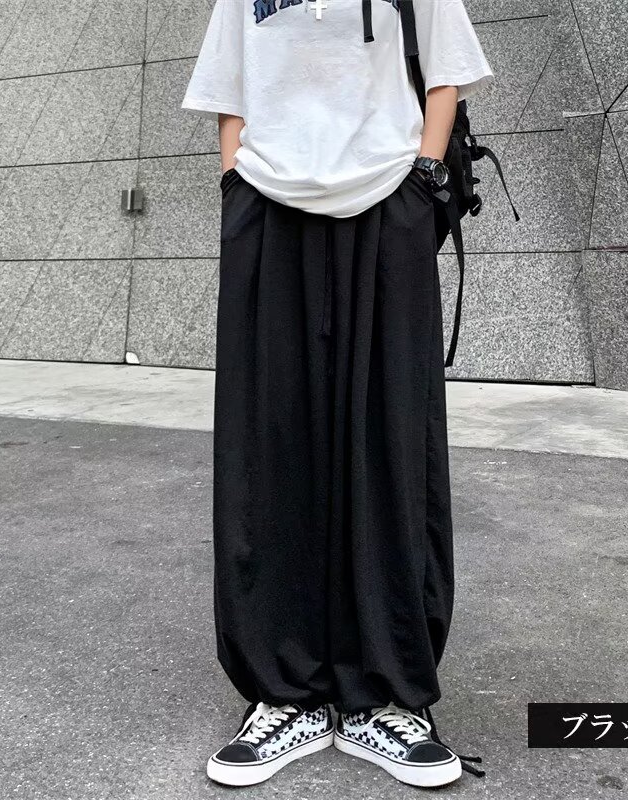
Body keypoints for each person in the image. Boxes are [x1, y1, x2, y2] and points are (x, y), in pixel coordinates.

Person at [181, 0, 493, 788]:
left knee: (390, 447)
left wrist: (424, 175)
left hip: (389, 202)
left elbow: (447, 77)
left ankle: (383, 695)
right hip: (267, 206)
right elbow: (228, 92)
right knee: (269, 448)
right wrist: (234, 184)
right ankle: (284, 692)